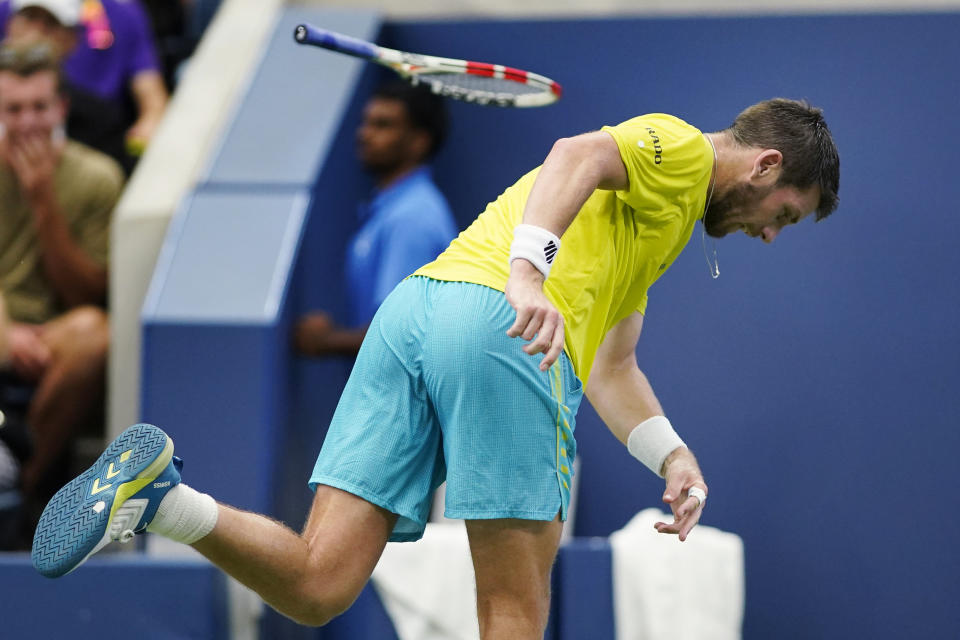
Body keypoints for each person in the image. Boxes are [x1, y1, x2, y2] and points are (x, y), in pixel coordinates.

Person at [32, 98, 839, 639]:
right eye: (786, 217)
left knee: (320, 586)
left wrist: (670, 455)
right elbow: (576, 154)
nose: (772, 234)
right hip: (501, 322)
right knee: (514, 607)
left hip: (416, 314)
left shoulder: (651, 230)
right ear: (766, 166)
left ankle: (161, 500)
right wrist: (528, 273)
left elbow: (613, 367)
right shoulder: (679, 150)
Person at [0, 44, 122, 541]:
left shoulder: (96, 177)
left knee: (95, 334)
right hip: (5, 326)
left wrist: (43, 202)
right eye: (13, 109)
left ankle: (22, 494)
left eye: (39, 107)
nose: (28, 122)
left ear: (61, 109)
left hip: (52, 338)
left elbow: (88, 294)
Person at [294, 82, 456, 357]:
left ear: (419, 141)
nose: (364, 134)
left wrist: (326, 340)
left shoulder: (412, 218)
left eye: (382, 125)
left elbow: (401, 336)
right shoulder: (397, 209)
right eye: (366, 122)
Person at [0, 0, 169, 163]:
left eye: (49, 24)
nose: (35, 34)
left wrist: (143, 135)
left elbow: (152, 102)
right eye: (29, 19)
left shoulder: (99, 120)